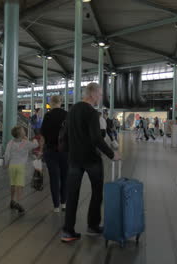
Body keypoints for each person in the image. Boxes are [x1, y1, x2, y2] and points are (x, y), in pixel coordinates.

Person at [61, 82, 121, 242]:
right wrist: (111, 154)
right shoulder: (92, 113)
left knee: (72, 194)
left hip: (74, 159)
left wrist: (68, 152)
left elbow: (64, 135)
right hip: (91, 160)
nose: (101, 97)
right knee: (96, 192)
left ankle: (68, 231)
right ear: (93, 94)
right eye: (100, 94)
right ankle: (93, 226)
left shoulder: (72, 110)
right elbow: (96, 138)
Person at [41, 95, 68, 213]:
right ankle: (64, 204)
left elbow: (43, 135)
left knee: (54, 178)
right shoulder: (67, 115)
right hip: (66, 152)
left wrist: (41, 150)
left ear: (51, 103)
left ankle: (56, 205)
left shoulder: (48, 115)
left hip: (51, 151)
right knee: (65, 177)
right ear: (60, 102)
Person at [4, 126, 39, 214]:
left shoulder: (10, 143)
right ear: (21, 134)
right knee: (19, 185)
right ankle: (18, 203)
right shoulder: (25, 142)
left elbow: (7, 154)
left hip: (12, 165)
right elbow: (35, 145)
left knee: (12, 183)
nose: (25, 131)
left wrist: (6, 163)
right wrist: (31, 139)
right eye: (23, 130)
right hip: (20, 166)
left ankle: (12, 200)